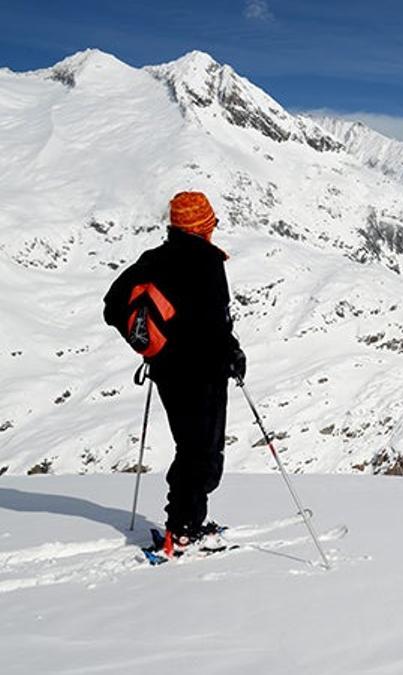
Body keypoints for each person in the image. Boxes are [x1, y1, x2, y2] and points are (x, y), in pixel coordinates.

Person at [103, 191, 246, 552]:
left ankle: (186, 521)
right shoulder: (207, 262)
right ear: (202, 225)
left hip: (167, 370)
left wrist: (153, 340)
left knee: (191, 447)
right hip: (204, 373)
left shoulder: (155, 259)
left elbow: (112, 306)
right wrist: (232, 353)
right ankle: (182, 530)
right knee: (203, 453)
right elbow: (215, 324)